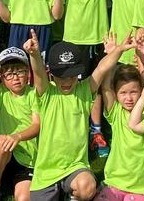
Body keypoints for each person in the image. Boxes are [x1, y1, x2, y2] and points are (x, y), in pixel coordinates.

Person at [25, 33, 119, 201]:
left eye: (72, 75)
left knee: (87, 186)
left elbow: (101, 69)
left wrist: (116, 51)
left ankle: (72, 196)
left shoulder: (84, 91)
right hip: (47, 171)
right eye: (62, 76)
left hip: (76, 166)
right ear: (51, 75)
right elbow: (38, 73)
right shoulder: (47, 93)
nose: (67, 81)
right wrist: (34, 54)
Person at [56, 0, 111, 156]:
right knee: (73, 88)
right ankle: (76, 129)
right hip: (74, 38)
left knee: (95, 87)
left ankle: (96, 131)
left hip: (97, 38)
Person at [99, 33, 144, 201]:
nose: (129, 98)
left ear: (141, 91)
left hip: (142, 186)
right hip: (115, 181)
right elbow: (105, 87)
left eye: (134, 92)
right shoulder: (115, 112)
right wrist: (112, 54)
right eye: (123, 93)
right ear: (116, 94)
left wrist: (143, 58)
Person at [0, 44, 41, 201]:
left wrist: (18, 136)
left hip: (27, 160)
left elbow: (37, 125)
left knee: (24, 198)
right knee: (0, 141)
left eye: (20, 71)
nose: (15, 77)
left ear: (28, 73)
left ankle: (15, 184)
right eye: (9, 73)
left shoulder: (34, 95)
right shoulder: (2, 96)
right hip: (4, 158)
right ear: (1, 76)